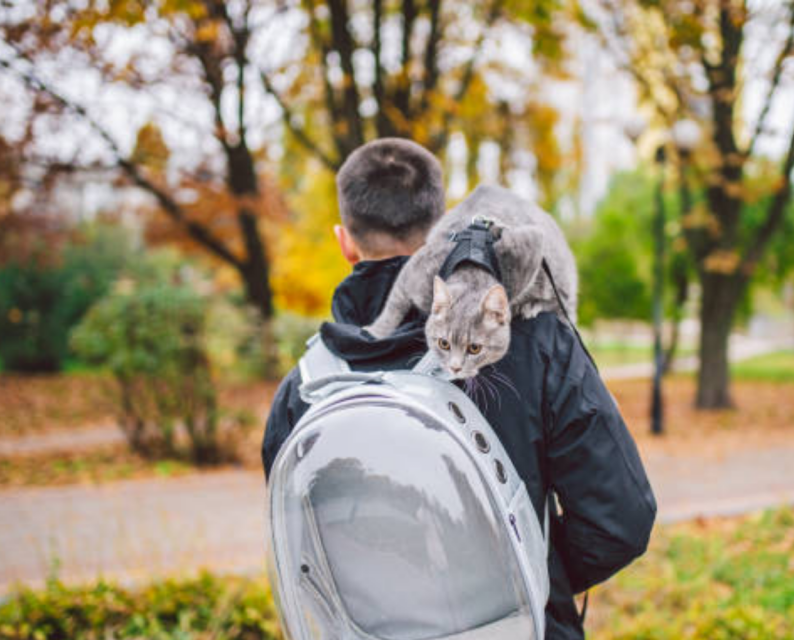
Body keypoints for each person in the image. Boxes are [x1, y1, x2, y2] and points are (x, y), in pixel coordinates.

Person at [261, 137, 656, 640]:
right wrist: (526, 581)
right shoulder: (530, 341)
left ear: (344, 241)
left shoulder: (304, 388)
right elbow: (621, 520)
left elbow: (302, 547)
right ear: (442, 226)